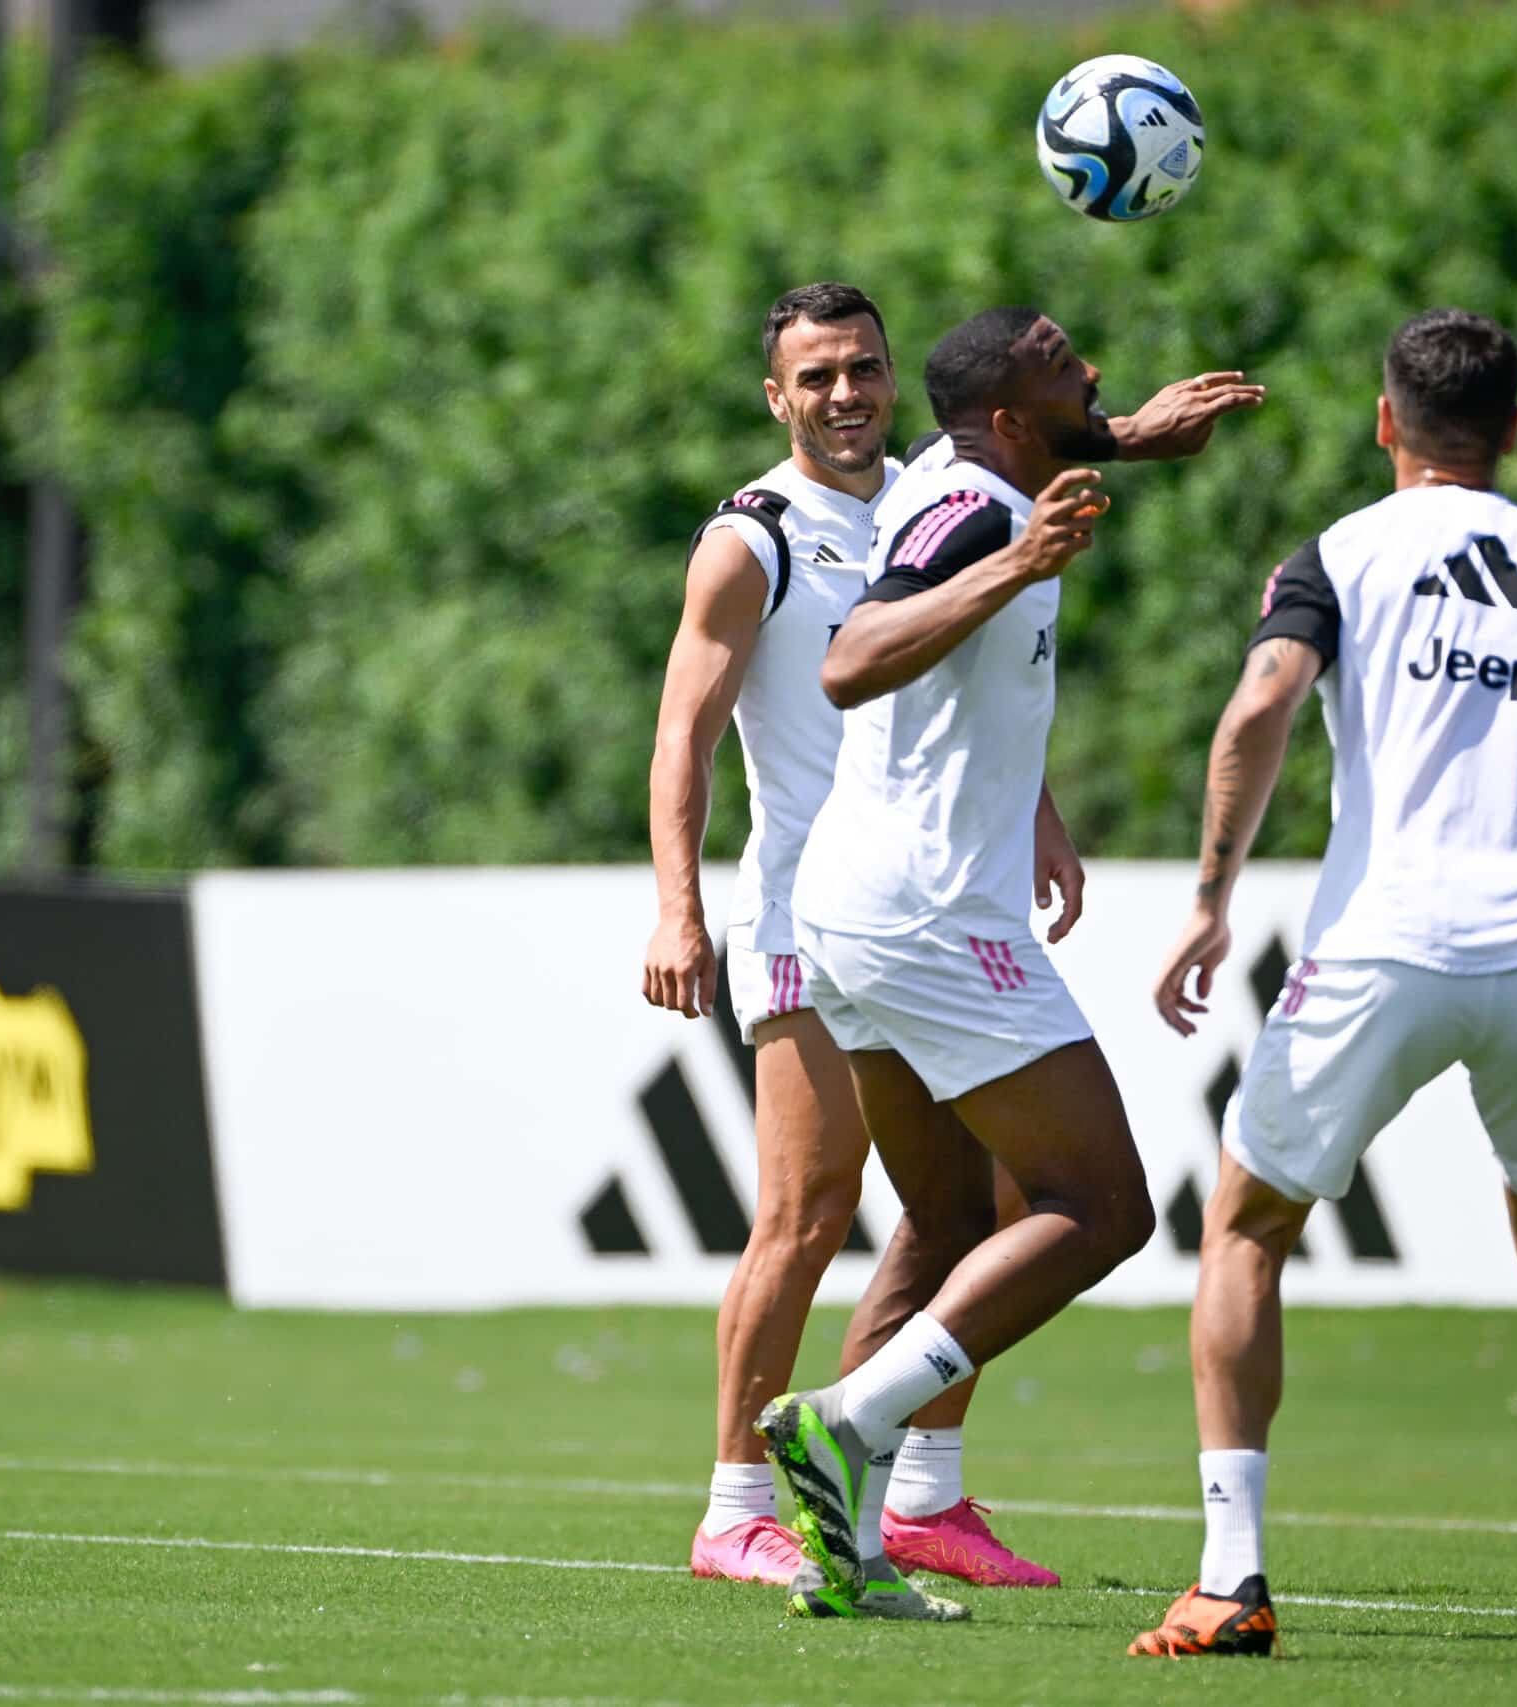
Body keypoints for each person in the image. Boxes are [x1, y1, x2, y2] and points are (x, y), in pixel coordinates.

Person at [1129, 307, 1517, 1664]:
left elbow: (1261, 709)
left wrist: (1211, 903)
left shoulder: (1338, 554)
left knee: (1248, 1226)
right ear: (1512, 431)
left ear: (1387, 422)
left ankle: (1231, 1579)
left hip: (1383, 945)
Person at [757, 307, 1263, 1621]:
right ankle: (851, 1419)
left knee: (943, 1224)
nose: (1090, 366)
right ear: (1009, 421)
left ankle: (849, 1555)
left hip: (866, 910)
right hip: (931, 918)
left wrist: (1133, 438)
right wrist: (1016, 560)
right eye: (1060, 364)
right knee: (1100, 1206)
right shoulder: (980, 515)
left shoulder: (965, 472)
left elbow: (999, 460)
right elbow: (850, 658)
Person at [643, 283, 1058, 1598]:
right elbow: (684, 733)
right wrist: (676, 905)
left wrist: (1040, 811)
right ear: (776, 397)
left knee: (981, 1203)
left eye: (862, 369)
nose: (844, 395)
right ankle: (734, 1507)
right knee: (810, 1212)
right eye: (814, 376)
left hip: (924, 908)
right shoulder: (753, 538)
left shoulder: (931, 498)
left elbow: (960, 676)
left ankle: (923, 1493)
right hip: (807, 924)